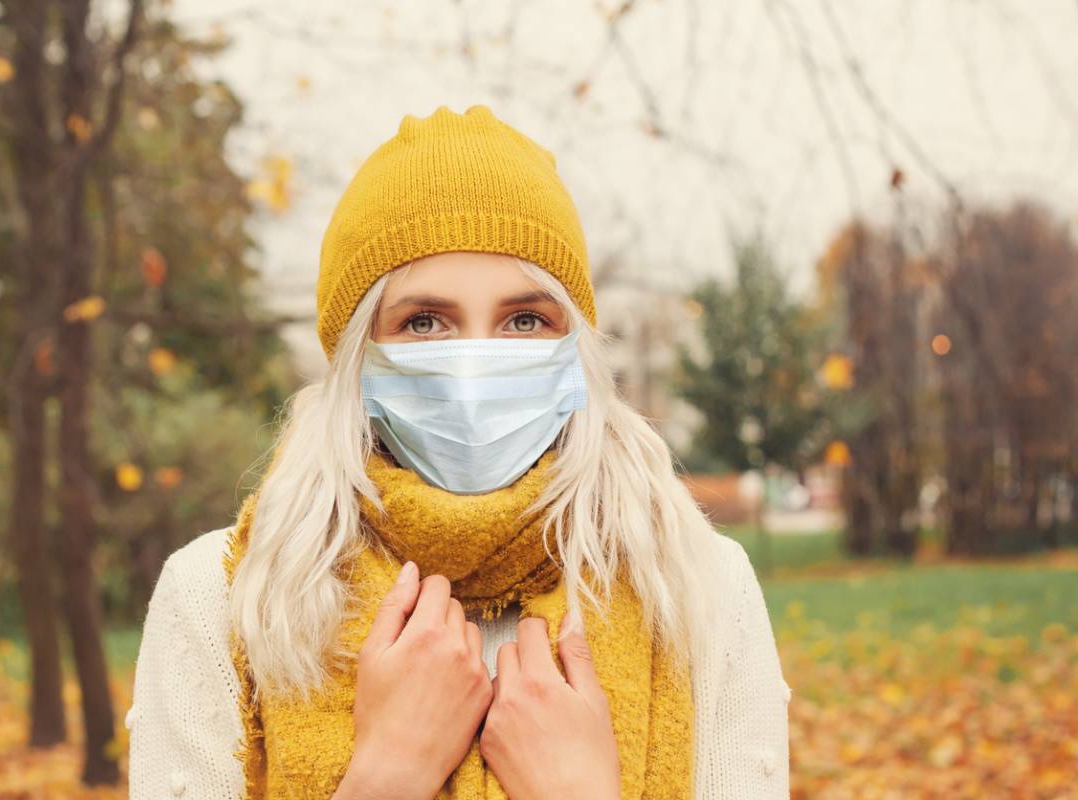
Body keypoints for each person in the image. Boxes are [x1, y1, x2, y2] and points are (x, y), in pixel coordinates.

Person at [127, 104, 790, 799]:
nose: (474, 364)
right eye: (424, 321)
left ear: (575, 353)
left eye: (525, 319)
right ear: (359, 358)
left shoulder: (694, 586)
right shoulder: (225, 598)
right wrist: (391, 773)